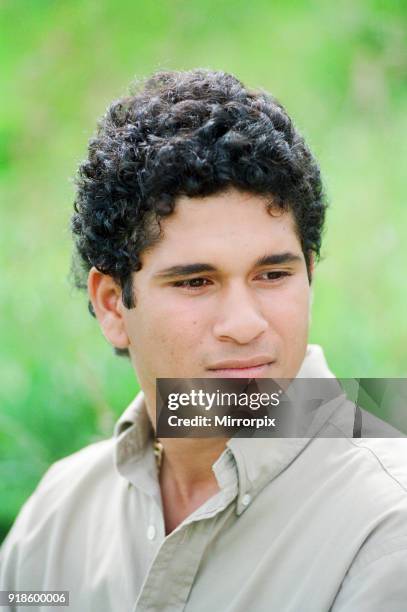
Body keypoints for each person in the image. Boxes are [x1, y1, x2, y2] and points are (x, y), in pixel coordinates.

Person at [1, 69, 406, 612]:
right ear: (112, 304)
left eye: (273, 275)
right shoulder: (59, 513)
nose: (244, 323)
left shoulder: (386, 521)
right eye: (195, 282)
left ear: (309, 275)